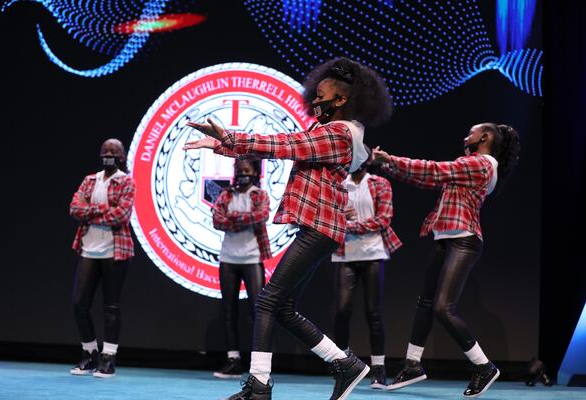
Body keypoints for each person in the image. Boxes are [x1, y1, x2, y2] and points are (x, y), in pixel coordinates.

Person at [184, 57, 392, 400]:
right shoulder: (341, 133)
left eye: (321, 95)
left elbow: (286, 145)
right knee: (280, 307)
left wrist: (229, 139)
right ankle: (345, 364)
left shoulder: (339, 133)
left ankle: (259, 387)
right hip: (319, 226)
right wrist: (222, 146)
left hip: (320, 225)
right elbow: (299, 146)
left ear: (341, 100)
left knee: (265, 302)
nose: (315, 101)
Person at [372, 123, 520, 398]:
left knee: (443, 307)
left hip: (464, 240)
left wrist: (389, 158)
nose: (466, 136)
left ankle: (484, 366)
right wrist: (387, 165)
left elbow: (434, 170)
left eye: (471, 133)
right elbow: (427, 179)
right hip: (446, 238)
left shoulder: (483, 164)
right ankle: (412, 364)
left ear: (485, 138)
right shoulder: (468, 165)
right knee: (426, 303)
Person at [331, 145, 402, 390]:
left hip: (372, 252)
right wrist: (342, 218)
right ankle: (342, 365)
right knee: (342, 310)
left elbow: (384, 219)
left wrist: (350, 225)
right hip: (345, 253)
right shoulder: (340, 184)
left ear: (367, 159)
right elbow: (332, 216)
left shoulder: (380, 183)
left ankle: (379, 369)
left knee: (373, 312)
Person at [68, 138, 136, 378]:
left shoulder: (127, 182)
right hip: (89, 249)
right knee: (79, 304)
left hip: (114, 251)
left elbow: (121, 215)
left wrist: (91, 212)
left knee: (111, 307)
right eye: (105, 150)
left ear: (121, 157)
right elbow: (75, 208)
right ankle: (89, 353)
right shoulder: (90, 180)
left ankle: (108, 358)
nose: (109, 153)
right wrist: (101, 211)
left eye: (114, 151)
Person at [212, 158, 271, 379]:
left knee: (258, 310)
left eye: (247, 170)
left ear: (255, 172)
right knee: (229, 310)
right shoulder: (226, 194)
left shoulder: (260, 195)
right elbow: (217, 220)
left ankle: (259, 363)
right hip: (228, 258)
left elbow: (261, 216)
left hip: (252, 257)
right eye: (239, 170)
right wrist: (242, 220)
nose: (242, 173)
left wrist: (233, 218)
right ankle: (233, 360)